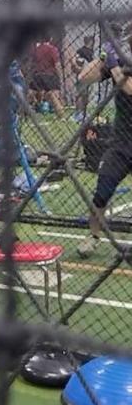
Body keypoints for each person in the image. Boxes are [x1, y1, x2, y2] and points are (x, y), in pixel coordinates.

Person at [75, 24, 132, 258]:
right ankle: (94, 236)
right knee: (102, 191)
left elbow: (130, 90)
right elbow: (83, 77)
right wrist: (102, 57)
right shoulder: (121, 58)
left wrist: (115, 67)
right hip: (121, 142)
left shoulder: (119, 65)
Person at [29, 33, 66, 117]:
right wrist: (60, 77)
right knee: (55, 98)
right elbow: (57, 64)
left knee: (31, 94)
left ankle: (25, 112)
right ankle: (61, 116)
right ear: (51, 39)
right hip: (50, 75)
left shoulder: (37, 49)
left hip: (38, 75)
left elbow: (33, 64)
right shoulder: (53, 49)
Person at [72, 35, 96, 122]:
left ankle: (83, 112)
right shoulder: (82, 51)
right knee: (80, 94)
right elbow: (78, 62)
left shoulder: (90, 51)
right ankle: (78, 113)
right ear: (91, 41)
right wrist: (81, 70)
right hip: (83, 75)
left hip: (89, 76)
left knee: (86, 95)